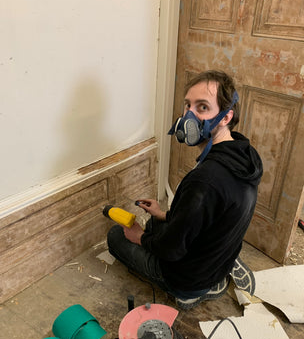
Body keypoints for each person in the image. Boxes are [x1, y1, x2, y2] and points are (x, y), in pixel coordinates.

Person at [107, 70, 263, 310]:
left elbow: (171, 248)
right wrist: (163, 214)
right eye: (187, 106)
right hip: (216, 258)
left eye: (202, 107)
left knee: (116, 237)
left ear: (225, 117)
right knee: (155, 225)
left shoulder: (206, 180)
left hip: (189, 278)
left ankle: (190, 293)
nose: (188, 116)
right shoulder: (244, 153)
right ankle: (215, 273)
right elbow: (206, 213)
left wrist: (138, 238)